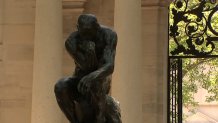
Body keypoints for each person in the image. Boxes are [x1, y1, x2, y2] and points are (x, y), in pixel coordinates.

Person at [54, 14, 121, 123]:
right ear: (78, 28)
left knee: (95, 84)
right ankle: (75, 120)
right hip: (80, 78)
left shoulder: (108, 35)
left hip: (101, 78)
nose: (87, 37)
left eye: (90, 33)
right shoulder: (71, 42)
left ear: (97, 27)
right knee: (60, 86)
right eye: (83, 33)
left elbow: (109, 66)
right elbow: (86, 67)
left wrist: (91, 77)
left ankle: (101, 118)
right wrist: (89, 54)